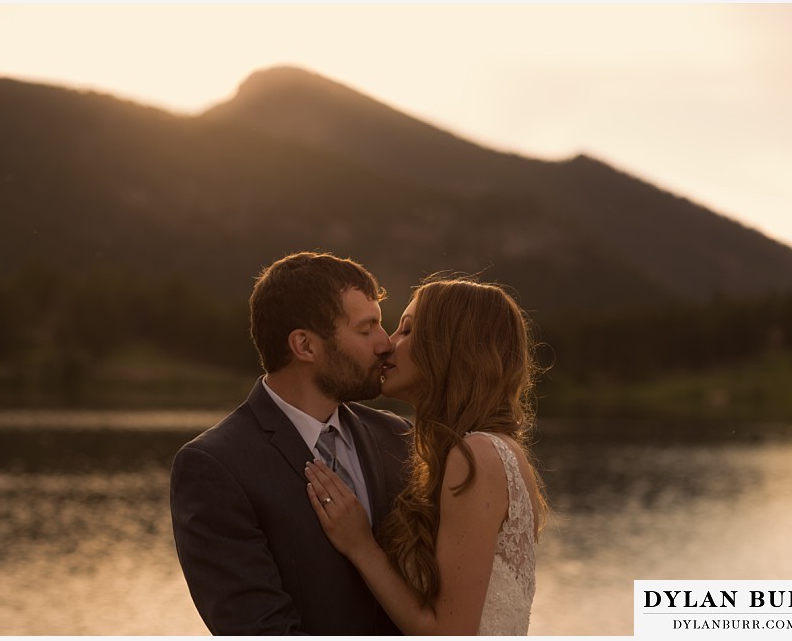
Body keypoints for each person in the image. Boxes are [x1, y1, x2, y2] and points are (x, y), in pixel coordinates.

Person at [170, 251, 412, 635]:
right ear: (305, 345)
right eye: (366, 330)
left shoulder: (399, 437)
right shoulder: (215, 467)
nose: (386, 344)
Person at [305, 277, 547, 635]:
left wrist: (360, 545)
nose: (388, 344)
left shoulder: (477, 456)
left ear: (448, 347)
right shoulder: (493, 450)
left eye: (406, 331)